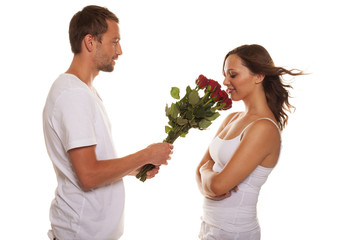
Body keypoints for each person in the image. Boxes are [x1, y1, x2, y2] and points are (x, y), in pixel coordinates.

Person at [43, 5, 173, 240]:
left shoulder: (84, 91)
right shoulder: (73, 95)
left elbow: (92, 165)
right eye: (114, 41)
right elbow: (89, 175)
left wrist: (133, 169)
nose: (120, 50)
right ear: (90, 42)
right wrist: (146, 154)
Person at [196, 44, 303, 240]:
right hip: (209, 226)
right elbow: (200, 170)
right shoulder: (232, 119)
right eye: (225, 74)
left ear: (259, 76)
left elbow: (217, 184)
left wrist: (206, 174)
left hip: (234, 233)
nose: (225, 81)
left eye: (233, 74)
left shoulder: (264, 128)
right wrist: (206, 179)